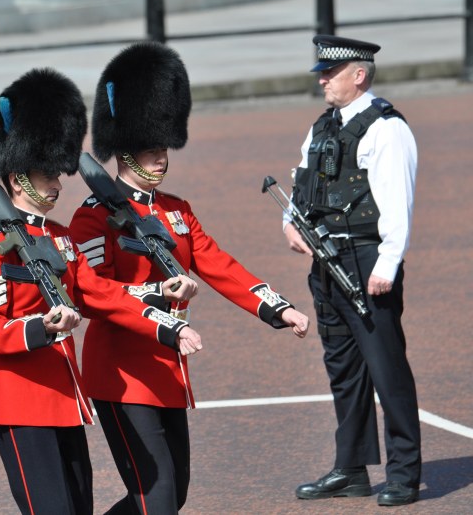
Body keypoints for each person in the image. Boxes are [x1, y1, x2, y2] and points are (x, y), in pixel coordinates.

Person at [68, 41, 310, 514]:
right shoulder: (92, 218)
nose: (161, 157)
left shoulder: (176, 211)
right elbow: (93, 295)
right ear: (125, 151)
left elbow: (218, 263)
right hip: (121, 373)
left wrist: (276, 306)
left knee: (170, 495)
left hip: (168, 369)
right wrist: (156, 296)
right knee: (156, 498)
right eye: (150, 149)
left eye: (163, 148)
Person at [0, 67, 204, 515]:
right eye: (47, 176)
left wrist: (159, 314)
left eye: (57, 174)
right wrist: (38, 328)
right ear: (17, 180)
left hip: (65, 401)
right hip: (19, 402)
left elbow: (97, 291)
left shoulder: (59, 237)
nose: (57, 184)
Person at [284, 35, 420, 506]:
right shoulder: (323, 126)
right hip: (326, 261)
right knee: (343, 371)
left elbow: (396, 201)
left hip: (366, 263)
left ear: (358, 75)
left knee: (387, 369)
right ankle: (352, 469)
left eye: (330, 72)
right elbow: (303, 182)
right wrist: (289, 224)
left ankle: (404, 472)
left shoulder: (386, 129)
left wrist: (387, 263)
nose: (322, 78)